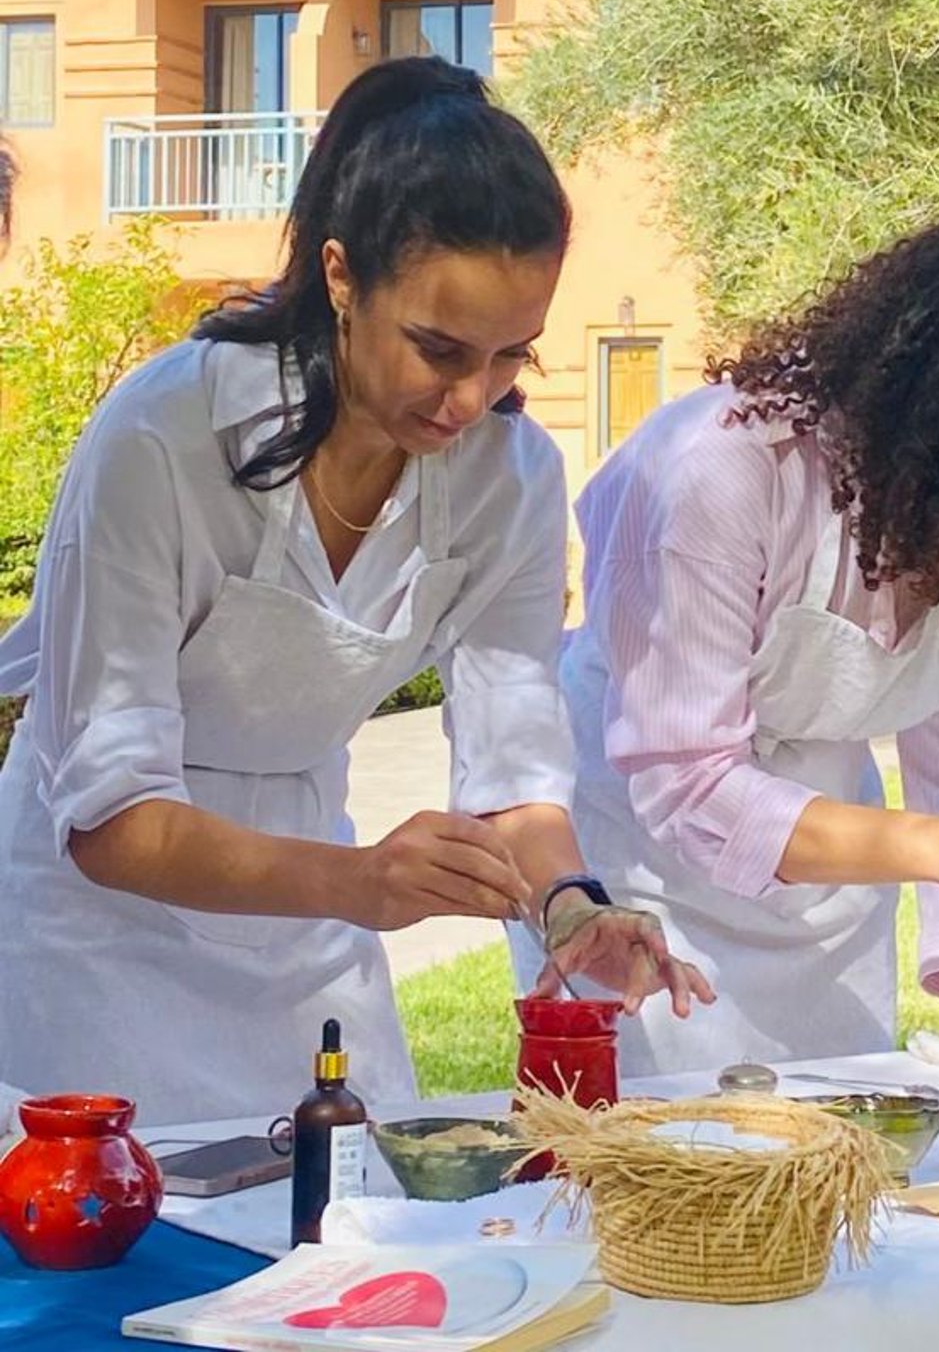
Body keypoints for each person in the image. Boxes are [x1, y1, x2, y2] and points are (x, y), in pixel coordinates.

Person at [0, 58, 708, 1122]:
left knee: (351, 1236)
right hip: (96, 932)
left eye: (514, 355)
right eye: (438, 348)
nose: (473, 398)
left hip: (312, 918)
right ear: (341, 275)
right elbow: (113, 820)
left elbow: (514, 773)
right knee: (139, 1254)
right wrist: (359, 882)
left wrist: (570, 905)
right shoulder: (162, 435)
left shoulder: (511, 483)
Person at [539, 195, 939, 1072]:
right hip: (644, 890)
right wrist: (935, 846)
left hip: (828, 886)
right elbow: (687, 782)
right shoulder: (725, 471)